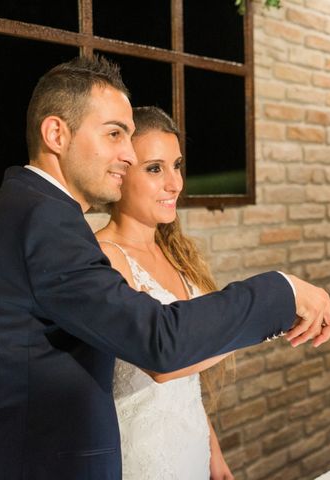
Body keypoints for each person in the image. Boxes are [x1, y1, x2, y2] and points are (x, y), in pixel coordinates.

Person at [0, 55, 330, 479]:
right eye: (115, 134)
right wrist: (282, 291)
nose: (126, 154)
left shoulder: (19, 209)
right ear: (56, 133)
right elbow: (159, 342)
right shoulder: (45, 221)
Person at [96, 106, 235, 479]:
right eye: (155, 169)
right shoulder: (107, 258)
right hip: (143, 455)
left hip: (190, 445)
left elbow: (186, 382)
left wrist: (213, 451)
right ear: (120, 172)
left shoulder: (173, 251)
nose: (175, 183)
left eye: (176, 165)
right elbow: (166, 362)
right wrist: (265, 318)